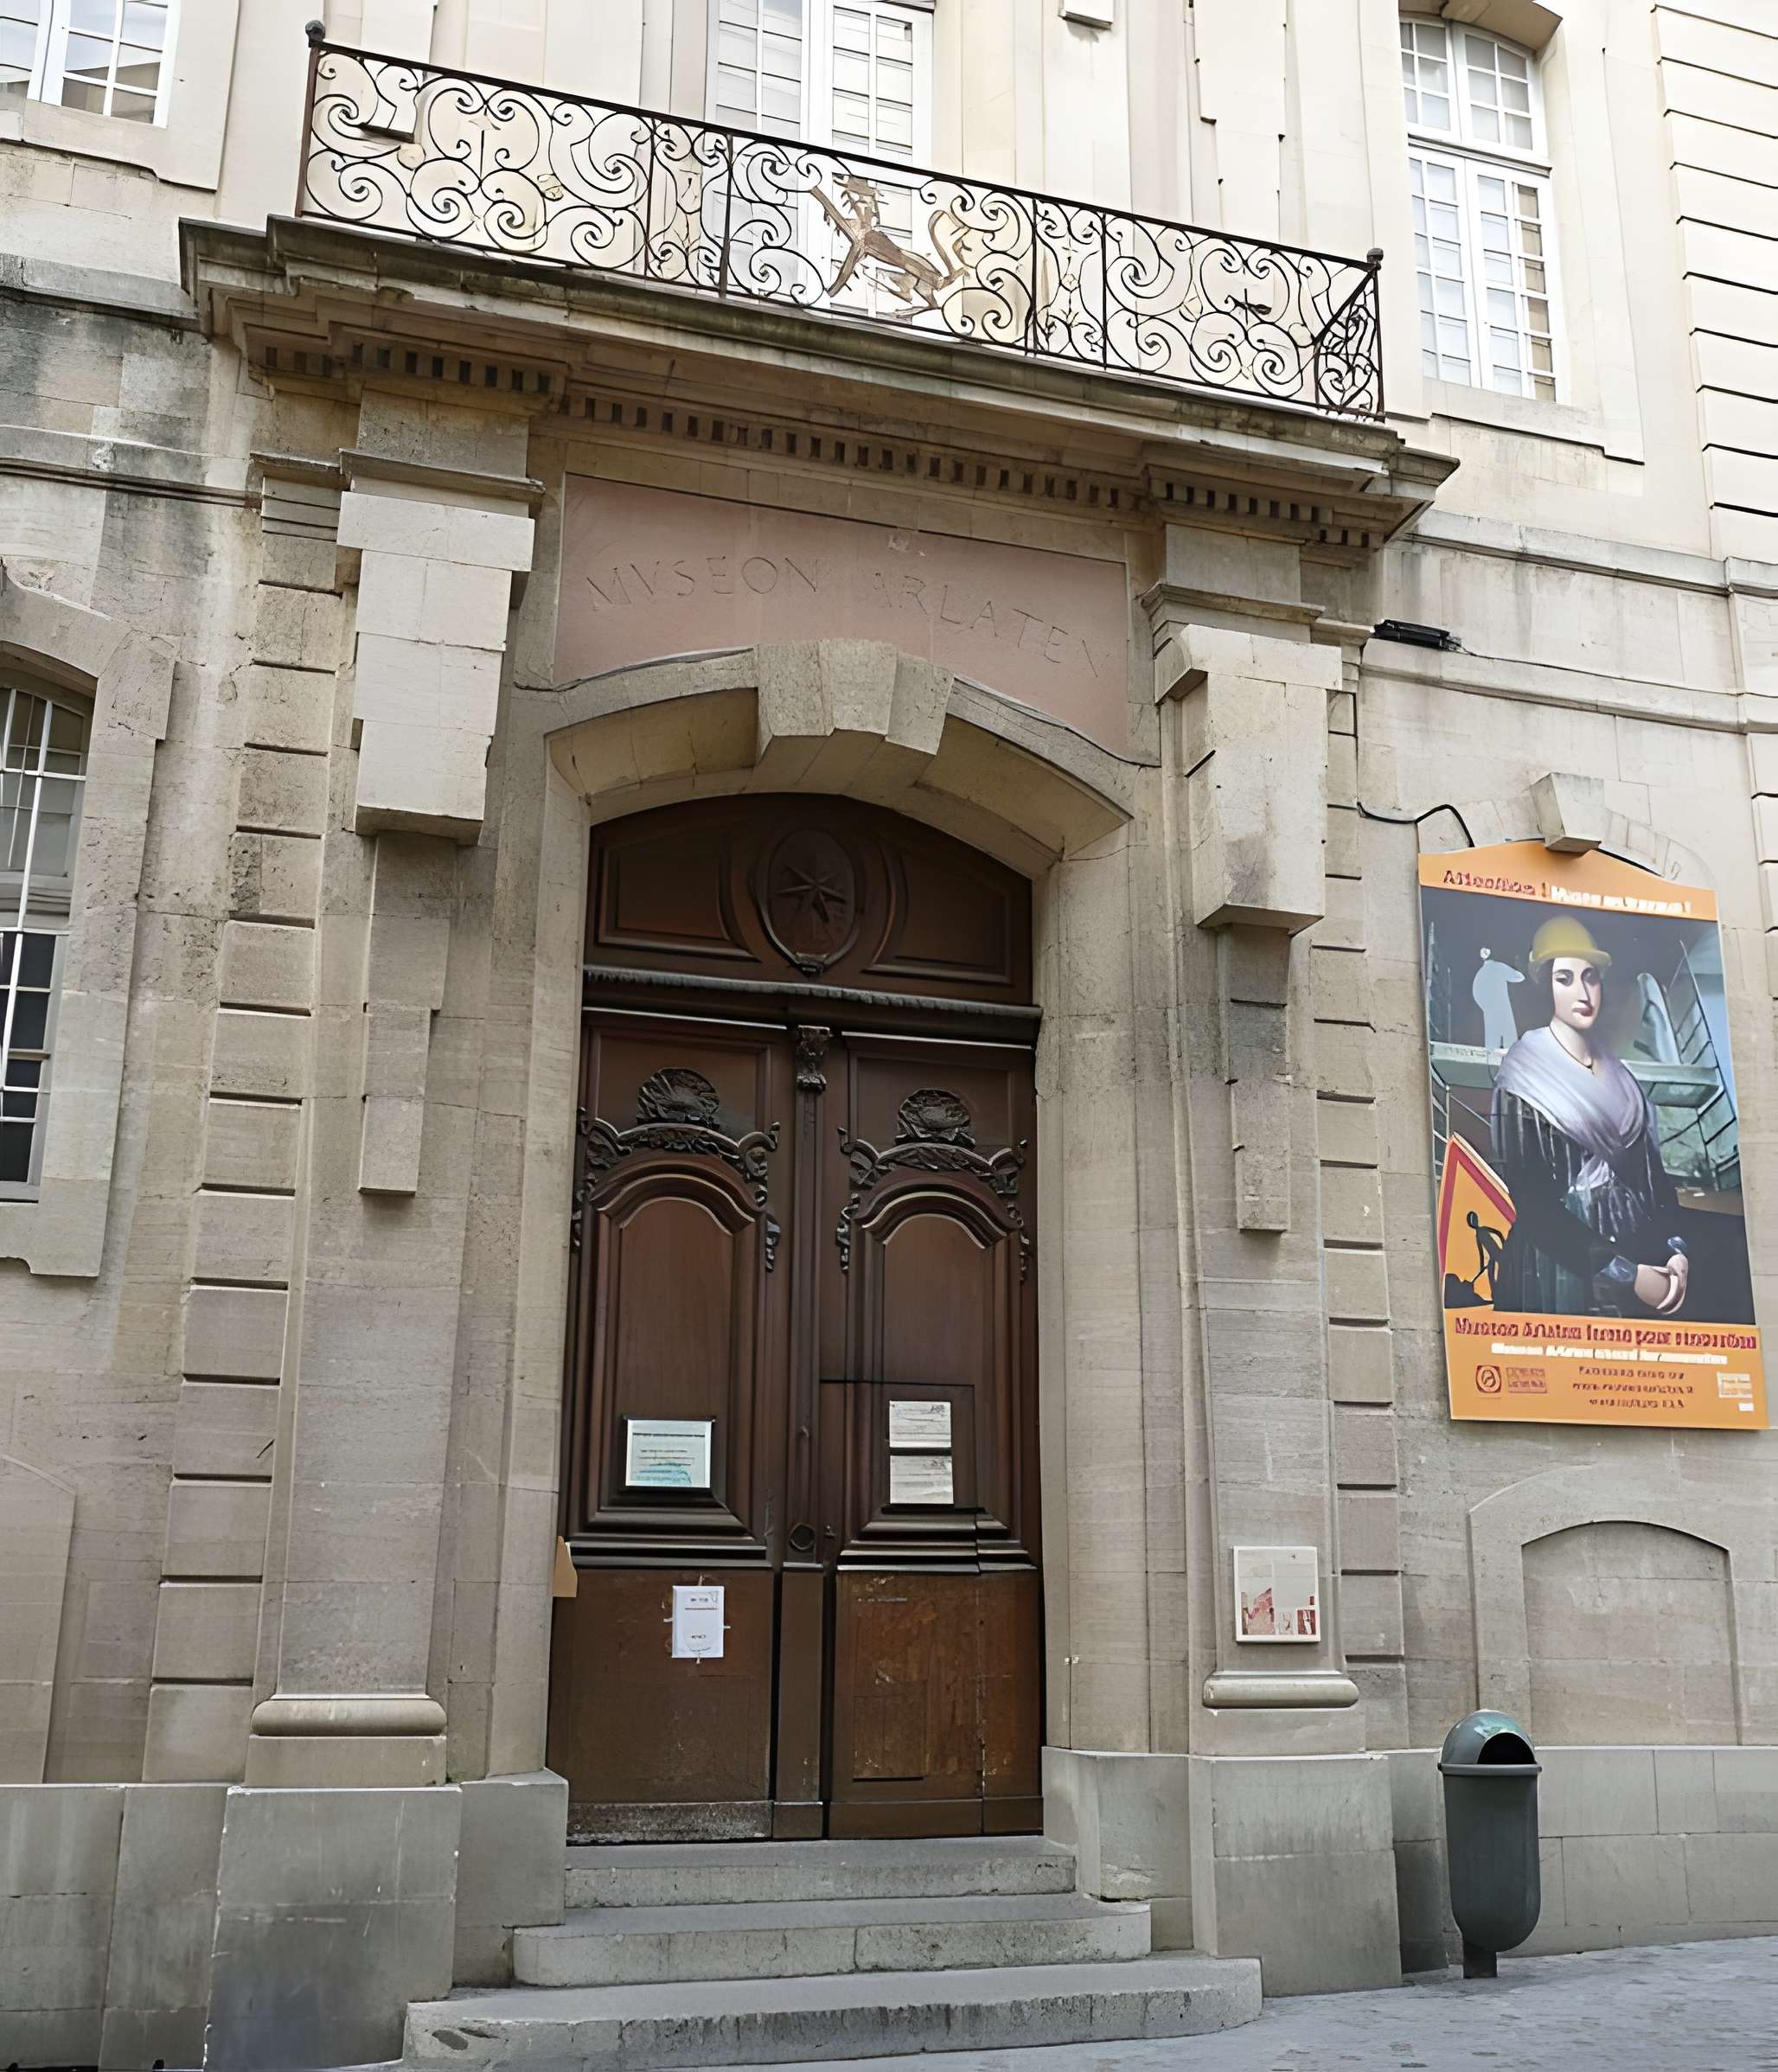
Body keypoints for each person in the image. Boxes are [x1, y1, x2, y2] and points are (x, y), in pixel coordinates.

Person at [1489, 917, 1689, 1317]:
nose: (1583, 992)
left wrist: (1674, 1250)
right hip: (1557, 1269)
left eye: (1590, 977)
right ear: (1545, 985)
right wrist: (1625, 1274)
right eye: (1565, 978)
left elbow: (1652, 1177)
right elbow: (1533, 1203)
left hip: (1636, 1261)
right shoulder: (1521, 1076)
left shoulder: (1621, 1077)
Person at [1470, 946, 1524, 1052]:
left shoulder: (1481, 973)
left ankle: (1492, 1053)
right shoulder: (1499, 967)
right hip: (1502, 1006)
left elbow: (1476, 992)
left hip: (1490, 1008)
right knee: (1508, 1033)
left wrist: (1485, 1006)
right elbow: (1519, 977)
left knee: (1492, 1036)